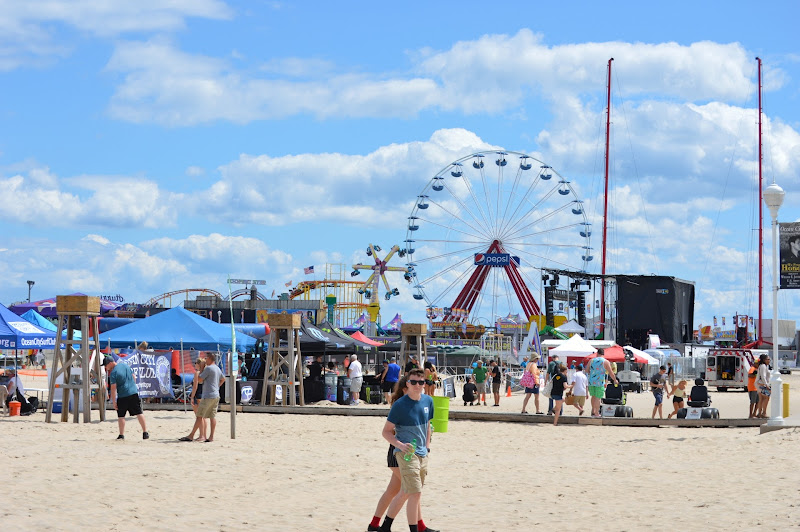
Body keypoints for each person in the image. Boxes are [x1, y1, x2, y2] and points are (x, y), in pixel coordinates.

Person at [367, 375, 438, 532]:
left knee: (396, 490)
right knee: (411, 490)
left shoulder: (419, 403)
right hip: (399, 452)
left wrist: (426, 444)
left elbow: (426, 425)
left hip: (408, 451)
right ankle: (416, 526)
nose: (416, 387)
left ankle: (374, 524)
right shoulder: (401, 405)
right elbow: (390, 431)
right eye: (412, 384)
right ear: (405, 387)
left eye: (420, 383)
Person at [103, 356, 148, 440]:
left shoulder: (113, 373)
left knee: (121, 416)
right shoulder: (125, 365)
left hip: (123, 395)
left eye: (106, 365)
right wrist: (133, 387)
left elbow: (113, 388)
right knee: (139, 412)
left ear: (110, 363)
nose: (106, 367)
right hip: (133, 392)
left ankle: (121, 435)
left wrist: (114, 402)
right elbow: (134, 377)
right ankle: (145, 432)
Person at [196, 352, 224, 442]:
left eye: (206, 358)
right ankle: (211, 436)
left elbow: (199, 380)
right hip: (216, 395)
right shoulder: (217, 368)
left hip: (208, 395)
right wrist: (217, 387)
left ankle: (194, 435)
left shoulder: (208, 369)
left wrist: (201, 368)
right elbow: (223, 379)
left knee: (200, 415)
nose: (205, 360)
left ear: (209, 358)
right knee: (212, 416)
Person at [180, 357, 207, 441]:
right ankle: (203, 435)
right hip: (204, 395)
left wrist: (192, 397)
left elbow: (195, 387)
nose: (194, 364)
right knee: (203, 417)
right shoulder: (206, 373)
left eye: (195, 363)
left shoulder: (197, 373)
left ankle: (201, 435)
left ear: (198, 364)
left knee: (199, 417)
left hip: (198, 396)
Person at [588, 349, 618, 418]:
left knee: (593, 396)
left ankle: (593, 411)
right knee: (598, 397)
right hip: (600, 381)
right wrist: (615, 380)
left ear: (597, 353)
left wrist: (593, 373)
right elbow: (611, 372)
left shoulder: (591, 360)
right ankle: (596, 412)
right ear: (603, 354)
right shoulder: (605, 361)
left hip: (591, 381)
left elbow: (587, 370)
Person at [755, 353, 771, 418]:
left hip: (759, 383)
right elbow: (763, 376)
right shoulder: (763, 366)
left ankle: (760, 413)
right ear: (764, 360)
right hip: (762, 384)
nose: (769, 360)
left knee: (761, 398)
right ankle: (764, 412)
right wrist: (766, 384)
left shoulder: (762, 366)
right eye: (768, 359)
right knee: (766, 397)